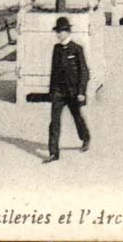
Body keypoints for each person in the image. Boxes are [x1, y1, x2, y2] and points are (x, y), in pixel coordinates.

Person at [43, 16, 90, 164]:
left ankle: (85, 137)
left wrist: (81, 92)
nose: (58, 34)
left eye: (61, 31)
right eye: (57, 31)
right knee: (54, 122)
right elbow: (53, 71)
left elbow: (84, 72)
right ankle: (53, 153)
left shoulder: (76, 49)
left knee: (77, 117)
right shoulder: (56, 49)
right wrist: (51, 92)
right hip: (58, 92)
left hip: (73, 92)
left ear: (67, 32)